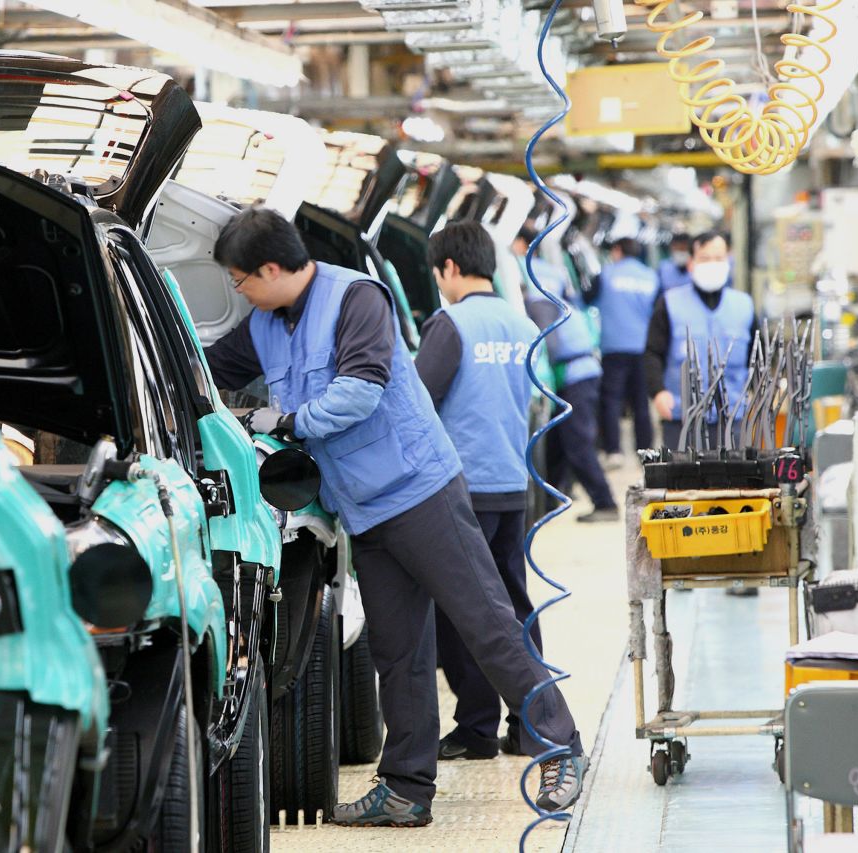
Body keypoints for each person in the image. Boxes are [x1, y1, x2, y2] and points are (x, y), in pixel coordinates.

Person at [203, 207, 587, 826]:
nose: (239, 291)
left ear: (270, 269)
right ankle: (406, 789)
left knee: (485, 622)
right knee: (398, 649)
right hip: (361, 508)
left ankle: (558, 746)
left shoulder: (357, 297)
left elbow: (362, 387)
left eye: (241, 280)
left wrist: (287, 422)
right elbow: (209, 370)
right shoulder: (264, 324)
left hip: (420, 491)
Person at [414, 222, 544, 763]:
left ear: (448, 268)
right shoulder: (521, 322)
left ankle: (475, 729)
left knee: (463, 613)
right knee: (515, 607)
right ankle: (531, 724)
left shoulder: (449, 324)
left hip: (462, 490)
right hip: (514, 483)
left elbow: (417, 400)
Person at [512, 230, 618, 523]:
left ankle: (605, 502)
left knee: (577, 443)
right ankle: (551, 500)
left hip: (575, 373)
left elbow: (549, 340)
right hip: (580, 369)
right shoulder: (548, 273)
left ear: (521, 244)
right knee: (558, 441)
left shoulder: (532, 280)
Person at [644, 231, 756, 452]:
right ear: (691, 263)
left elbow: (757, 355)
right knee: (683, 483)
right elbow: (652, 353)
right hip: (681, 419)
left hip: (734, 418)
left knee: (735, 483)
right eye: (705, 259)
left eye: (718, 258)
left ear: (729, 260)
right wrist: (657, 391)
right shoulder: (669, 304)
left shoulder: (744, 306)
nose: (712, 264)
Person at [592, 237, 658, 465]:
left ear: (618, 251)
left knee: (611, 400)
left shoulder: (606, 275)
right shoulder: (650, 276)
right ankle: (646, 451)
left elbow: (589, 302)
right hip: (642, 346)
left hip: (613, 346)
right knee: (641, 401)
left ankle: (613, 451)